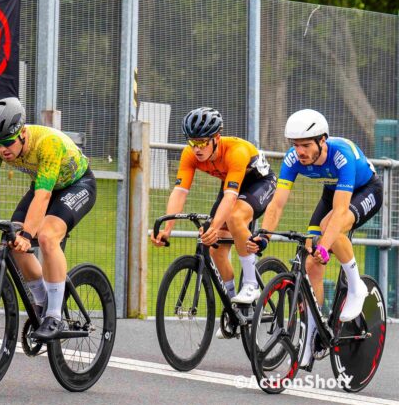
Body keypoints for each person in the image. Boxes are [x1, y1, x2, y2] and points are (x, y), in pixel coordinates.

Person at [0, 97, 96, 341]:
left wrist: (29, 235)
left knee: (46, 236)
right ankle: (42, 303)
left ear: (23, 133)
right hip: (44, 186)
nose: (3, 149)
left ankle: (54, 316)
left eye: (7, 142)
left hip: (77, 185)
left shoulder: (47, 144)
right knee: (12, 238)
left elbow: (44, 194)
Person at [247, 109, 382, 367]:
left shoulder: (340, 155)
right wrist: (263, 236)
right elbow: (277, 205)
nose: (300, 151)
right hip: (332, 193)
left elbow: (341, 212)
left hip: (366, 190)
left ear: (323, 141)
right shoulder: (292, 159)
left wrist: (326, 246)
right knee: (311, 265)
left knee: (332, 226)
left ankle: (356, 287)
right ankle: (313, 335)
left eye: (306, 145)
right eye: (296, 145)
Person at [152, 107, 277, 313]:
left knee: (235, 218)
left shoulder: (236, 151)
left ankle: (251, 284)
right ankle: (234, 307)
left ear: (216, 138)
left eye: (202, 143)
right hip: (230, 185)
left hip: (258, 183)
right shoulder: (189, 155)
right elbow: (180, 192)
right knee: (215, 248)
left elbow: (230, 198)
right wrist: (167, 229)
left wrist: (214, 226)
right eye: (192, 142)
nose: (197, 149)